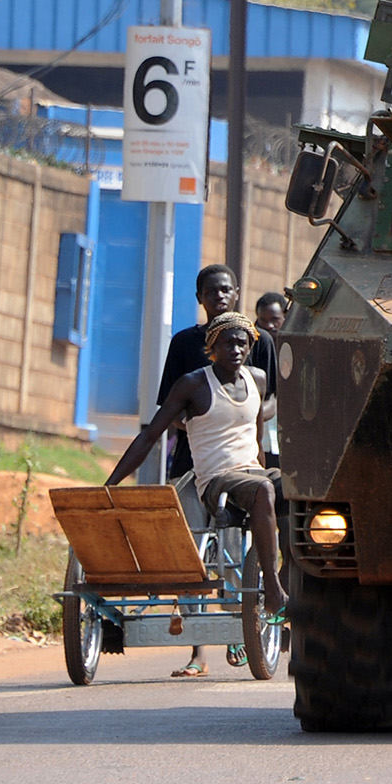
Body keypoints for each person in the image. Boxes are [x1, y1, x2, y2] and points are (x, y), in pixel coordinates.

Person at [107, 312, 285, 653]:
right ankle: (274, 591)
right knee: (263, 489)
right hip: (216, 480)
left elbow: (257, 435)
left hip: (252, 473)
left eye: (242, 343)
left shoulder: (258, 380)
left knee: (302, 491)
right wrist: (112, 483)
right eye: (228, 343)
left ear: (250, 348)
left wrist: (268, 474)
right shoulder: (193, 384)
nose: (236, 349)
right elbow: (150, 437)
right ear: (212, 348)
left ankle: (292, 579)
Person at [158, 265, 277, 482]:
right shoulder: (183, 342)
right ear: (199, 297)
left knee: (265, 496)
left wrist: (240, 420)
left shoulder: (260, 340)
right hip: (194, 455)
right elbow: (169, 407)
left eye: (225, 290)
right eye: (211, 291)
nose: (219, 296)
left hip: (244, 456)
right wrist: (204, 426)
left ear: (237, 293)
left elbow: (271, 399)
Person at [254, 292, 288, 472]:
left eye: (275, 319)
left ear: (285, 317)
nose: (269, 325)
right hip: (261, 435)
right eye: (263, 320)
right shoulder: (251, 349)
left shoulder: (296, 348)